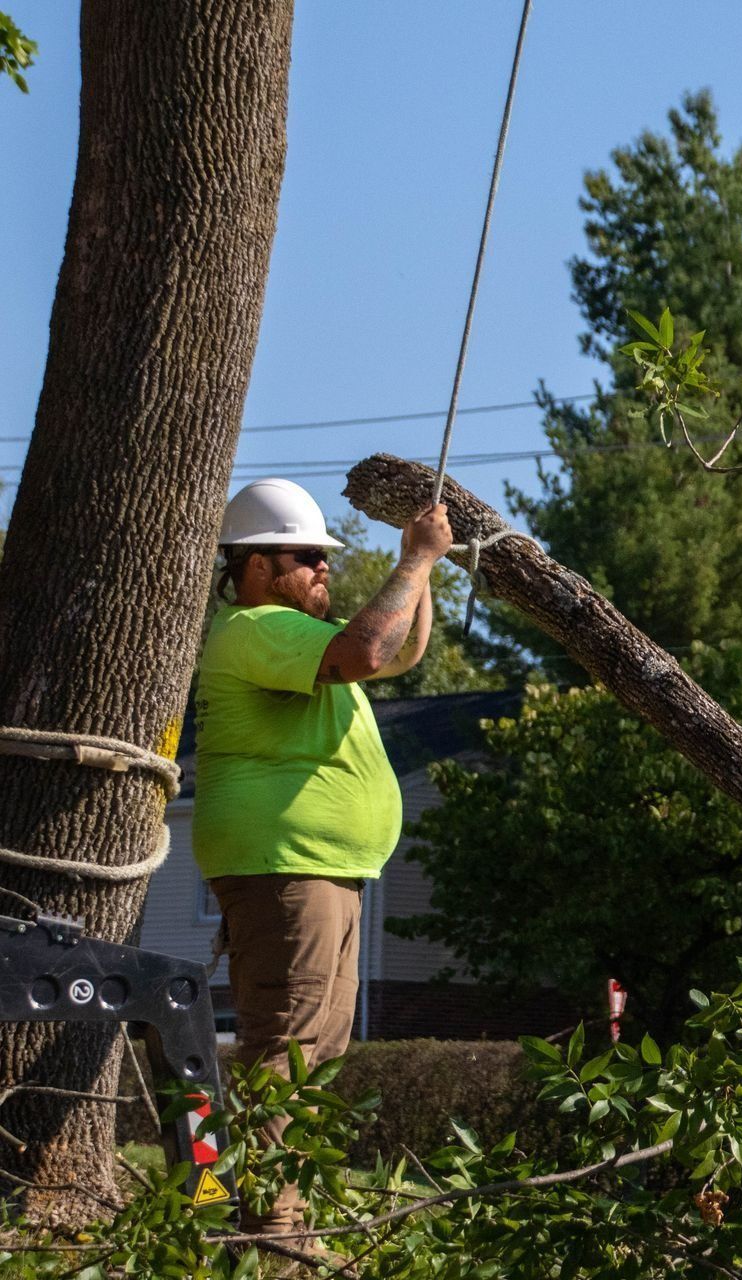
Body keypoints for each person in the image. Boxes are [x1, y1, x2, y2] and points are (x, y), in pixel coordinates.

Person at [193, 477, 452, 1234]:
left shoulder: (297, 640)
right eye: (307, 556)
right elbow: (372, 647)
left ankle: (285, 1216)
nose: (323, 569)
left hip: (316, 870)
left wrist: (422, 565)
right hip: (285, 866)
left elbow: (396, 647)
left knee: (316, 1055)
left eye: (324, 558)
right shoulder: (257, 627)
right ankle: (271, 1232)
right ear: (256, 567)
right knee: (287, 1050)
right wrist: (415, 560)